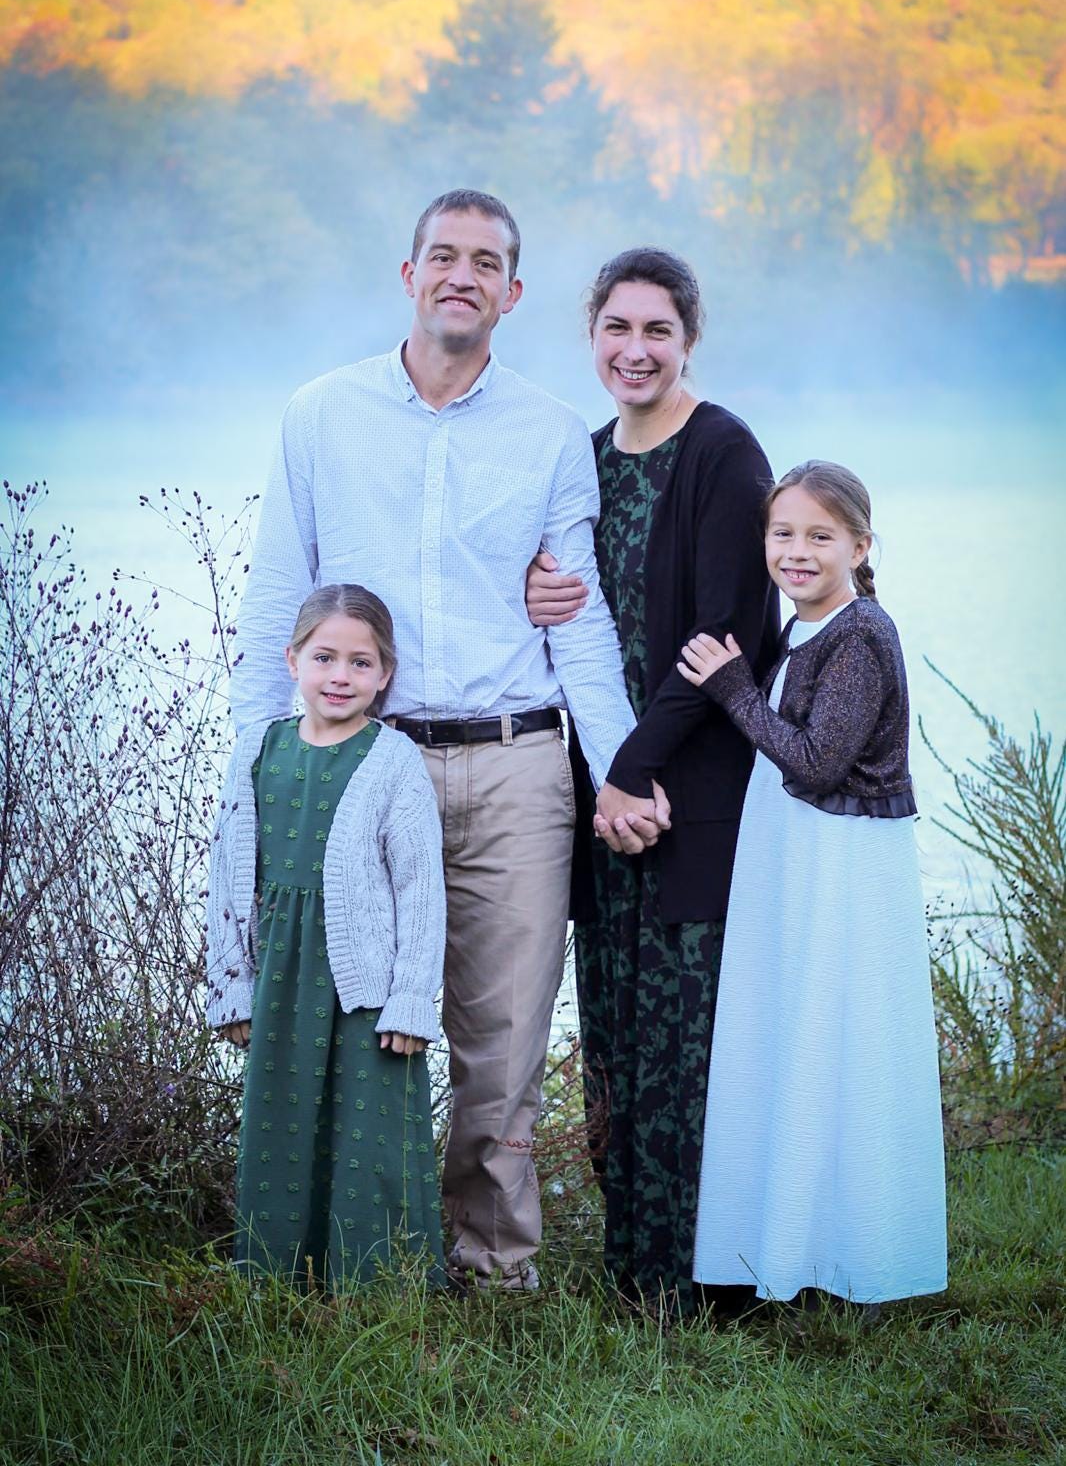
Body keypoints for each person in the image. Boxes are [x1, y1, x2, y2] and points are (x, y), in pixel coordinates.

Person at [229, 191, 661, 1290]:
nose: (461, 275)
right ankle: (355, 1255)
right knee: (351, 1017)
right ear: (409, 273)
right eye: (443, 256)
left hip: (517, 765)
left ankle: (494, 1267)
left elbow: (580, 626)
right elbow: (276, 601)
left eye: (485, 262)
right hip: (368, 766)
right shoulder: (321, 416)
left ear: (512, 293)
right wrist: (252, 779)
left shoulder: (550, 432)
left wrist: (620, 771)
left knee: (504, 1036)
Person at [526, 249, 779, 1311]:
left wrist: (631, 769)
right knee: (616, 1034)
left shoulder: (724, 453)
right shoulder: (584, 460)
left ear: (689, 339)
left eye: (657, 331)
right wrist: (531, 594)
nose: (635, 350)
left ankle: (712, 1282)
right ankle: (634, 1271)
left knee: (692, 1042)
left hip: (692, 796)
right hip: (607, 797)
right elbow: (567, 619)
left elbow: (728, 635)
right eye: (616, 328)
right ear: (591, 335)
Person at [681, 461, 947, 1305]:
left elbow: (818, 760)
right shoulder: (806, 628)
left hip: (841, 865)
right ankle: (788, 1244)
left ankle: (853, 1254)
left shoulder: (859, 633)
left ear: (860, 547)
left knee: (838, 1036)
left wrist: (731, 689)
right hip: (799, 855)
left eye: (820, 536)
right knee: (796, 1033)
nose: (797, 552)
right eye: (783, 533)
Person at [206, 584, 448, 1288]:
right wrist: (232, 986)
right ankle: (278, 1283)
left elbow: (420, 889)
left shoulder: (393, 761)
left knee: (371, 1134)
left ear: (385, 673)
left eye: (361, 662)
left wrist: (411, 1000)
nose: (341, 676)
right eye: (324, 658)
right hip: (281, 976)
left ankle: (378, 1289)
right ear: (292, 660)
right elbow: (228, 874)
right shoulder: (258, 750)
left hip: (364, 985)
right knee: (281, 1125)